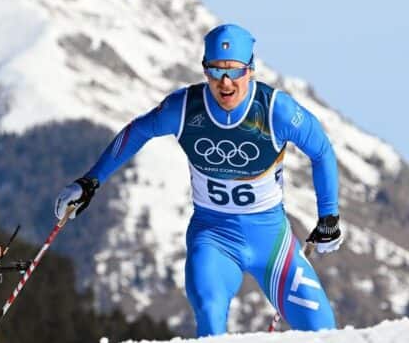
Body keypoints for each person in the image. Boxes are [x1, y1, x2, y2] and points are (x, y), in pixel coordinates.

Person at [55, 23, 343, 337]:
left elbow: (322, 151)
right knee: (210, 311)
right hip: (213, 237)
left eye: (233, 71)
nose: (224, 82)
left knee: (324, 331)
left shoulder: (276, 110)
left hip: (273, 243)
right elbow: (137, 132)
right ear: (204, 70)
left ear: (250, 70)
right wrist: (90, 182)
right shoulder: (185, 108)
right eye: (214, 70)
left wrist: (329, 215)